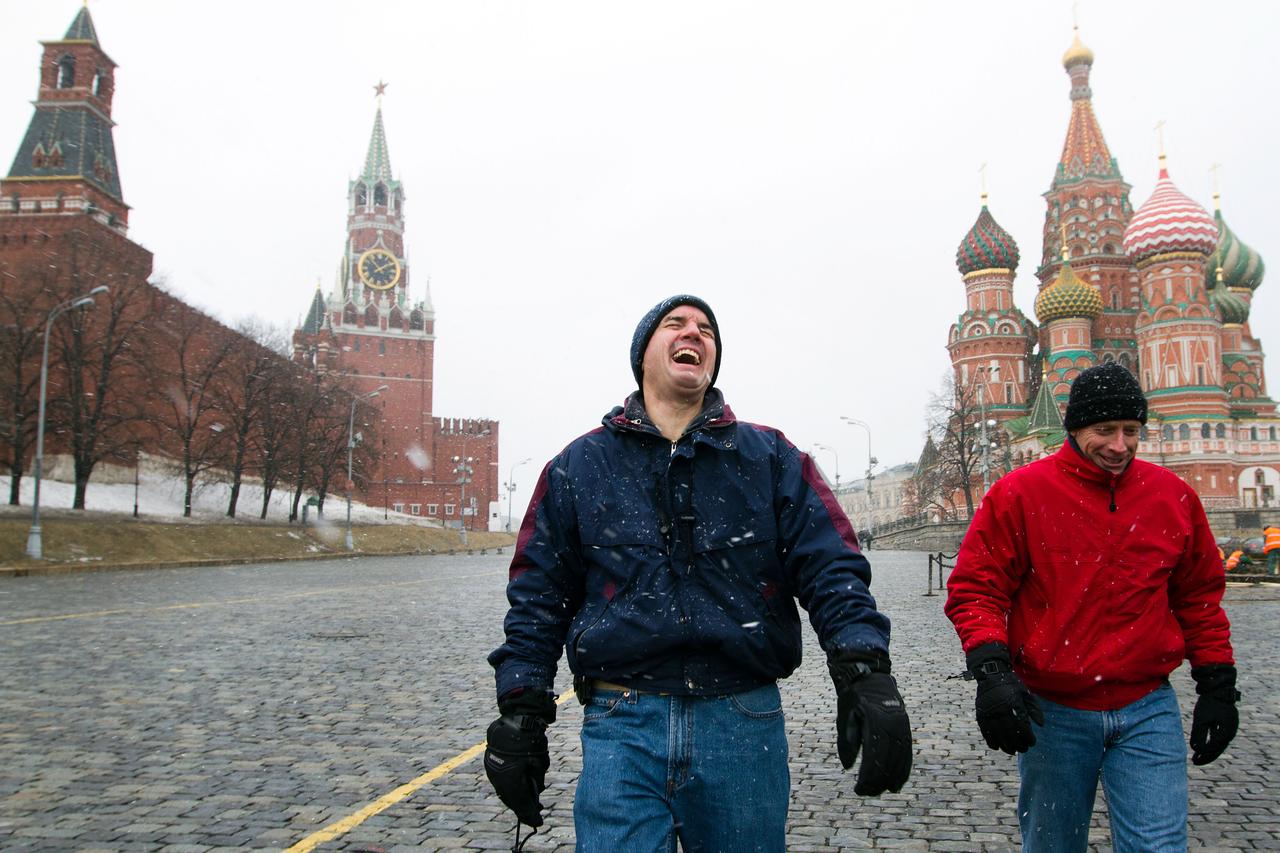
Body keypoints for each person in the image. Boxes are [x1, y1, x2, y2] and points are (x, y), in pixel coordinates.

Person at [485, 295, 912, 851]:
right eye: (676, 324)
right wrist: (522, 709)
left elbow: (830, 564)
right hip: (622, 721)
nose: (695, 332)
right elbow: (539, 595)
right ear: (644, 354)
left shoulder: (770, 458)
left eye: (707, 328)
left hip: (742, 719)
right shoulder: (580, 467)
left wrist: (864, 670)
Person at [944, 362, 1240, 853]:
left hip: (1147, 706)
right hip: (1054, 710)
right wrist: (993, 672)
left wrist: (1217, 682)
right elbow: (978, 588)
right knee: (1053, 843)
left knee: (1158, 846)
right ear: (1075, 429)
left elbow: (1198, 597)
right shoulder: (1021, 494)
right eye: (1105, 430)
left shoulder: (1173, 497)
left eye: (1131, 431)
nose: (1119, 445)